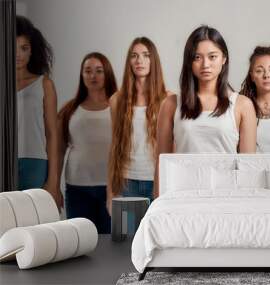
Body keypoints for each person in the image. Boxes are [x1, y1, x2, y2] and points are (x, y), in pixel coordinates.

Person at [155, 26, 257, 197]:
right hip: (182, 196)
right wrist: (158, 205)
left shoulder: (242, 105)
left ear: (224, 58)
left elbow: (248, 169)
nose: (205, 64)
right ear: (189, 61)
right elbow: (161, 165)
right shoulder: (171, 104)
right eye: (197, 57)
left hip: (227, 198)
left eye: (212, 57)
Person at [107, 37, 171, 213]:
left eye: (145, 55)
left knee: (157, 238)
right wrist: (110, 192)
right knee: (129, 239)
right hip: (127, 181)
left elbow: (174, 146)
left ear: (153, 60)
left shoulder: (169, 100)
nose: (139, 60)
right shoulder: (116, 100)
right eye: (134, 56)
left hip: (157, 181)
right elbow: (114, 147)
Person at [58, 52, 117, 233]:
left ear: (107, 73)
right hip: (77, 188)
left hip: (113, 188)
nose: (93, 76)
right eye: (88, 71)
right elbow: (58, 150)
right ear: (81, 75)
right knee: (80, 240)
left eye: (99, 71)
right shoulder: (70, 109)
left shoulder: (119, 107)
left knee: (115, 242)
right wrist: (53, 186)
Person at [16, 15, 62, 210]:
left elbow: (52, 134)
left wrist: (53, 181)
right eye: (13, 46)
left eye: (24, 48)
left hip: (35, 162)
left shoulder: (44, 84)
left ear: (32, 50)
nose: (18, 54)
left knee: (32, 219)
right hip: (4, 159)